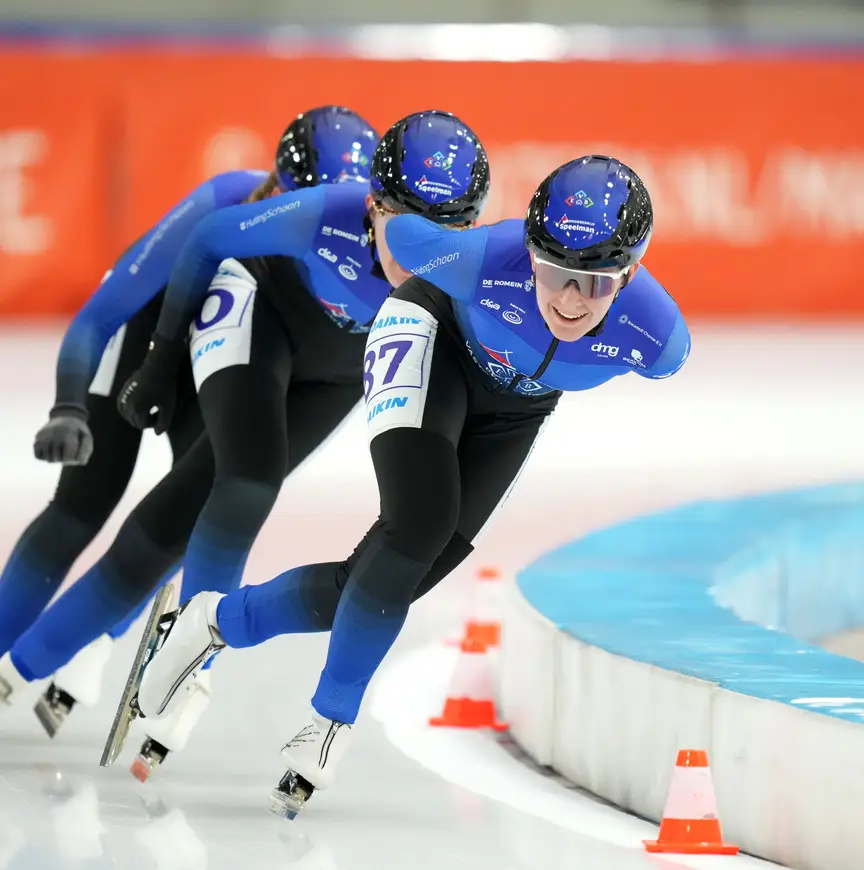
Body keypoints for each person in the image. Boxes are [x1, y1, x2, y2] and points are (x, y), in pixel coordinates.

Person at [129, 154, 691, 818]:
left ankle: (215, 622)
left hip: (516, 411)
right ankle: (330, 723)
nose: (569, 301)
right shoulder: (483, 258)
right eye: (554, 273)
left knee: (389, 580)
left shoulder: (658, 340)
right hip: (433, 339)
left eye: (593, 285)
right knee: (415, 527)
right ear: (531, 254)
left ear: (628, 277)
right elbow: (401, 238)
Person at [0, 110, 491, 782]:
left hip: (303, 362)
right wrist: (86, 396)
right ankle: (16, 660)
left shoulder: (443, 254)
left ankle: (122, 650)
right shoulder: (259, 203)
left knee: (200, 511)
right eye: (276, 196)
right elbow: (105, 311)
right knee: (84, 506)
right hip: (167, 333)